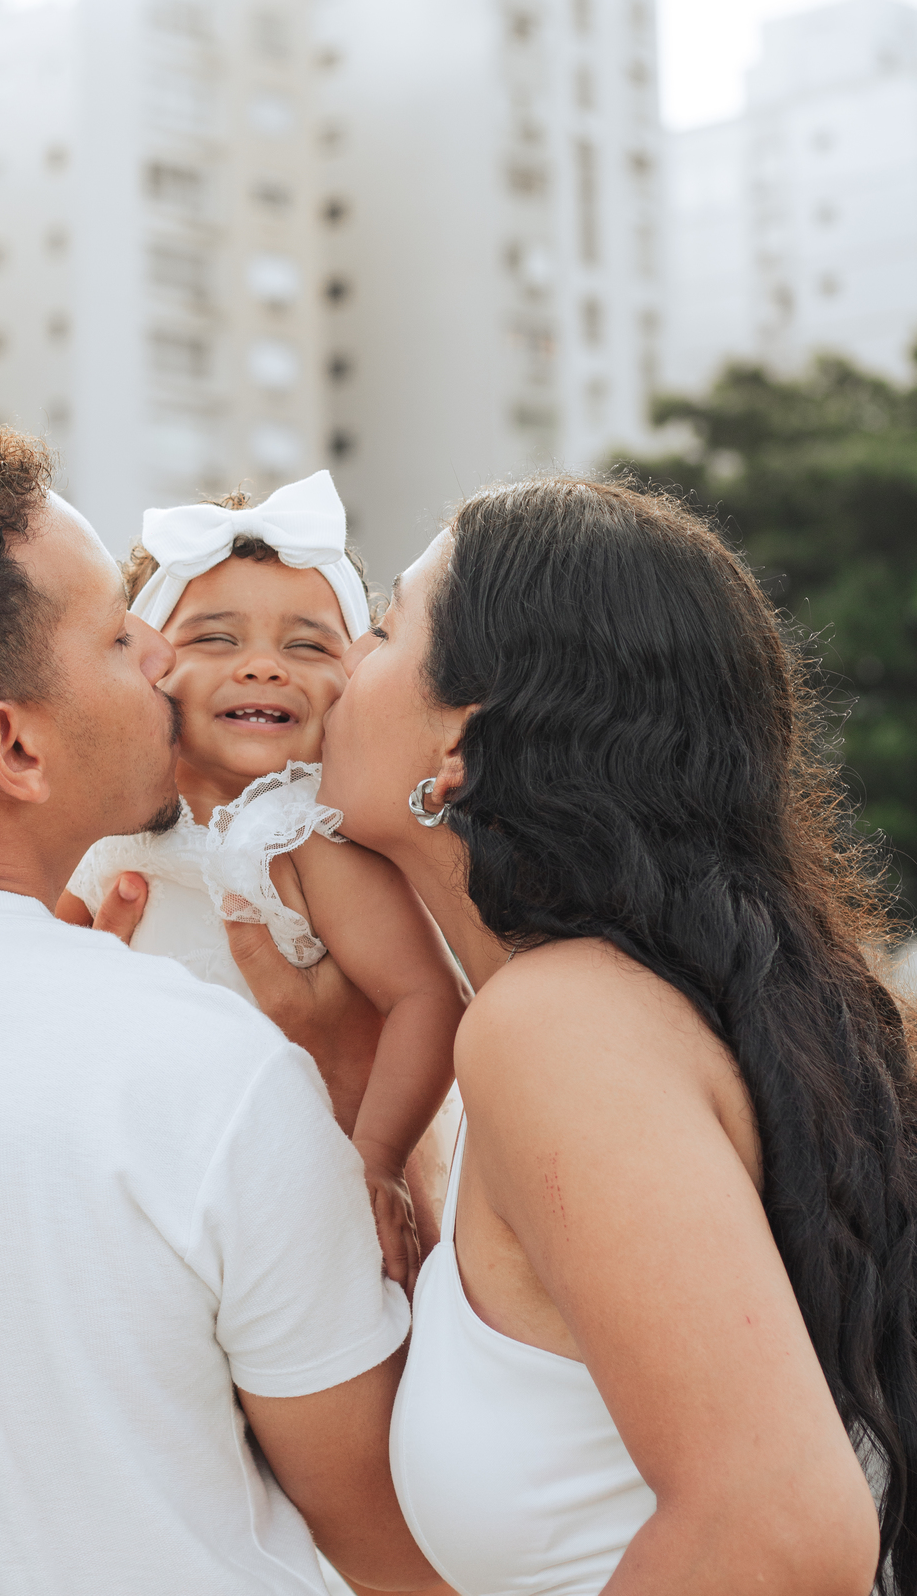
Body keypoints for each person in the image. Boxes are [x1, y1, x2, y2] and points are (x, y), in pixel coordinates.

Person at [0, 427, 439, 1596]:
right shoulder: (212, 1077)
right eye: (116, 634)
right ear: (14, 745)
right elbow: (400, 1552)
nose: (160, 653)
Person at [248, 474, 914, 1596]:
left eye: (386, 628)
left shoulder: (559, 1025)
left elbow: (780, 1528)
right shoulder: (614, 1018)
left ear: (460, 743)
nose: (343, 662)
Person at [57, 472, 467, 1291]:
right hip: (144, 1167)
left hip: (299, 1172)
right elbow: (41, 961)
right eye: (216, 639)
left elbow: (429, 1000)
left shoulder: (304, 834)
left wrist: (377, 1158)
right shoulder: (112, 829)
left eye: (307, 646)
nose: (263, 668)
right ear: (146, 666)